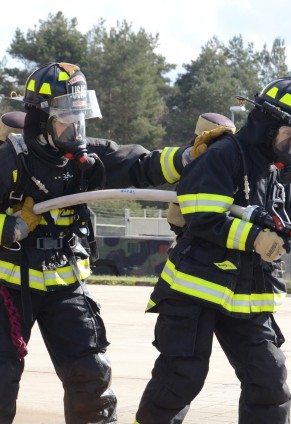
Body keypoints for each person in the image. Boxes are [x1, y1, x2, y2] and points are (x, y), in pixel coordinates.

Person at [0, 62, 198, 423]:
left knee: (91, 378)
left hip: (65, 285)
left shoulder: (84, 158)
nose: (75, 127)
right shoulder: (11, 159)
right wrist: (7, 228)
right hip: (9, 286)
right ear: (41, 119)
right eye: (65, 117)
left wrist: (188, 157)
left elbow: (142, 165)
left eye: (80, 116)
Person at [135, 77, 291, 424]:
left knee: (269, 382)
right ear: (267, 125)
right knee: (180, 378)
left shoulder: (282, 169)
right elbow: (202, 215)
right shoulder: (224, 155)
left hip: (246, 294)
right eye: (290, 132)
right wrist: (254, 238)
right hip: (194, 291)